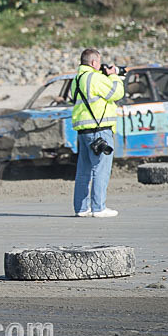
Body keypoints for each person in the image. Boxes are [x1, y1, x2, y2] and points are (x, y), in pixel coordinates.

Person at [72, 48, 124, 218]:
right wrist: (114, 76)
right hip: (100, 131)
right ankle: (98, 207)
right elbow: (116, 93)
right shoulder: (95, 78)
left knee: (83, 171)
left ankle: (81, 208)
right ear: (94, 63)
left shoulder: (77, 79)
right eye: (99, 62)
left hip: (83, 132)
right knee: (101, 169)